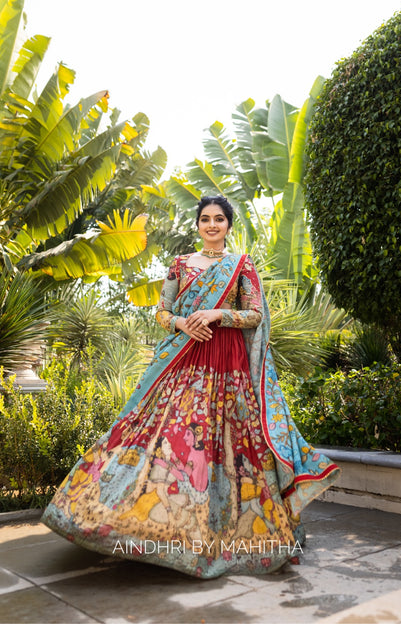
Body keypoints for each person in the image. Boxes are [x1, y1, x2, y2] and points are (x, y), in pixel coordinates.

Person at [42, 195, 340, 578]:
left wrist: (217, 313)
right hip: (185, 363)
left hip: (228, 367)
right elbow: (162, 312)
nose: (212, 225)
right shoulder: (180, 265)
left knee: (227, 448)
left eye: (219, 219)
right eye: (205, 219)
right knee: (172, 439)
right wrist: (183, 324)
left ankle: (223, 535)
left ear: (229, 226)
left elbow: (254, 315)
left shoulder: (240, 265)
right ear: (197, 225)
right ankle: (144, 524)